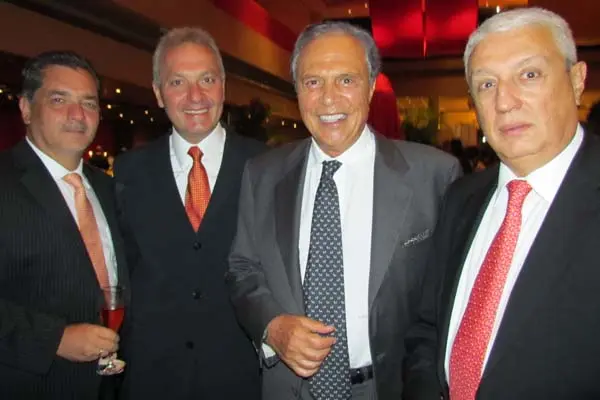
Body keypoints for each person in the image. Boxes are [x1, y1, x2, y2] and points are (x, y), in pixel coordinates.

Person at [226, 21, 461, 400]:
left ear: (371, 87)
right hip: (289, 389)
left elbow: (450, 296)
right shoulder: (262, 174)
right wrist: (271, 325)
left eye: (346, 80)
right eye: (313, 82)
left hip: (390, 388)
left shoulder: (434, 175)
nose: (328, 99)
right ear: (297, 90)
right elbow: (242, 268)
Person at [403, 7, 600, 400]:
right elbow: (428, 328)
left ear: (577, 81)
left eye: (529, 75)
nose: (505, 102)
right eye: (487, 84)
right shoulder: (462, 197)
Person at [114, 27, 265, 399]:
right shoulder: (129, 172)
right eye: (178, 82)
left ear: (223, 87)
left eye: (207, 79)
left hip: (242, 378)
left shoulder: (266, 166)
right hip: (152, 377)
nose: (195, 96)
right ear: (158, 93)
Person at [0, 50, 127, 399]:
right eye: (59, 100)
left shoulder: (109, 189)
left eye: (88, 103)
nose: (77, 114)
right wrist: (53, 339)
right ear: (26, 108)